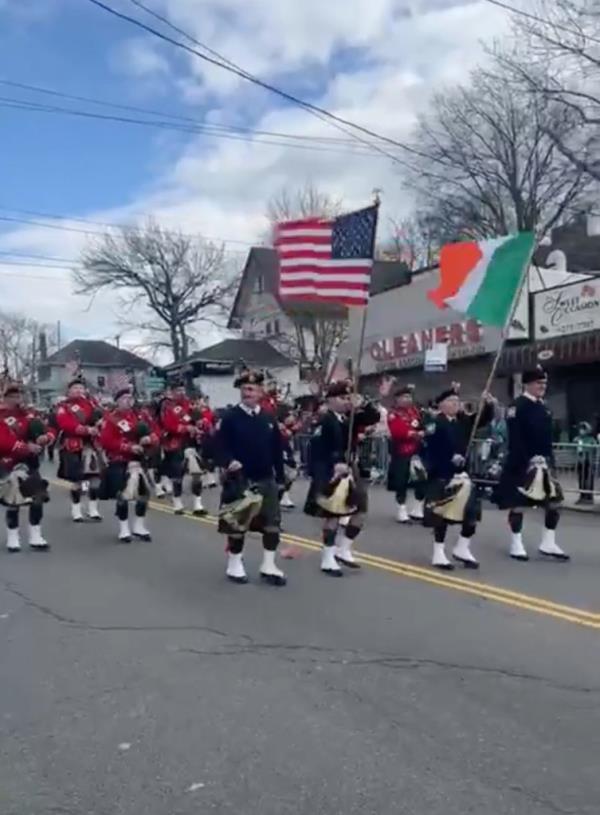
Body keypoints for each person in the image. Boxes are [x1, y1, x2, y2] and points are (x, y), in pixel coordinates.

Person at [216, 369, 287, 586]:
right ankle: (235, 563)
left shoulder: (268, 417)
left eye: (252, 389)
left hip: (266, 478)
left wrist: (281, 476)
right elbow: (217, 447)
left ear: (261, 391)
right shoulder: (229, 418)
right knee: (238, 525)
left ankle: (268, 565)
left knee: (272, 524)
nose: (247, 392)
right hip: (240, 479)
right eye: (244, 389)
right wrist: (228, 462)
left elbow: (277, 449)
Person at [304, 381, 380, 576]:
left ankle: (344, 548)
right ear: (330, 399)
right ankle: (328, 557)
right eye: (342, 398)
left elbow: (373, 417)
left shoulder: (349, 418)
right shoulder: (325, 420)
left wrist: (362, 404)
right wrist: (334, 463)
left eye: (348, 398)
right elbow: (317, 449)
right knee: (333, 515)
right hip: (331, 470)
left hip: (350, 467)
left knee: (360, 509)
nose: (346, 401)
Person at [495, 367, 569, 562]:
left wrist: (548, 460)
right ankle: (516, 542)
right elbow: (516, 439)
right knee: (518, 505)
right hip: (522, 463)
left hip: (544, 463)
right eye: (538, 383)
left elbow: (547, 438)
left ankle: (548, 542)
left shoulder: (544, 407)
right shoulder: (517, 406)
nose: (542, 387)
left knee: (554, 503)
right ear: (527, 384)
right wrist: (527, 461)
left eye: (544, 384)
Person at [422, 386, 494, 570]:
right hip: (442, 474)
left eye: (457, 401)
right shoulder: (434, 423)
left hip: (463, 474)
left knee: (471, 514)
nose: (456, 404)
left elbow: (481, 420)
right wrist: (448, 458)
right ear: (441, 405)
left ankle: (463, 547)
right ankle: (438, 553)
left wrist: (487, 405)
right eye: (451, 402)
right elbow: (429, 449)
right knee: (442, 516)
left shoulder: (463, 421)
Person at [99, 387, 160, 542]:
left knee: (143, 495)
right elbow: (106, 441)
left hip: (140, 461)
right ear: (117, 401)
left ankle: (139, 526)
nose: (128, 400)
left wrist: (150, 439)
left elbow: (156, 432)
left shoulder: (141, 417)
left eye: (130, 397)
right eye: (124, 398)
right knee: (123, 496)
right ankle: (124, 528)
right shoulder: (111, 419)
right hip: (120, 461)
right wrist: (129, 447)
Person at [0, 383, 53, 551]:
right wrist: (24, 447)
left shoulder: (30, 416)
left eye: (20, 396)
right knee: (13, 501)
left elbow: (46, 429)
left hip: (29, 463)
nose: (18, 399)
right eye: (14, 396)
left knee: (37, 499)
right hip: (7, 462)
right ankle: (13, 537)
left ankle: (35, 535)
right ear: (6, 398)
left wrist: (45, 437)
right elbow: (3, 441)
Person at [55, 377, 104, 522]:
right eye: (75, 388)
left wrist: (99, 423)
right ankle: (76, 510)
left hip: (91, 445)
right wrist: (86, 430)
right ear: (69, 391)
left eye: (81, 388)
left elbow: (103, 417)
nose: (79, 390)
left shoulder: (92, 403)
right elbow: (65, 424)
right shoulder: (64, 407)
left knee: (95, 479)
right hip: (73, 445)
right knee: (77, 479)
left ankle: (93, 509)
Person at [158, 379, 202, 515]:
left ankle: (197, 503)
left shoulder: (189, 404)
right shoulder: (167, 406)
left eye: (182, 390)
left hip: (191, 443)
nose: (181, 392)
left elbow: (198, 418)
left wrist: (199, 423)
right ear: (171, 392)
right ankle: (177, 502)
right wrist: (185, 428)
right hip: (175, 443)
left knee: (197, 473)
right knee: (178, 475)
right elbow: (168, 425)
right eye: (178, 390)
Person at [387, 386, 426, 523]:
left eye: (409, 397)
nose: (407, 399)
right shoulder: (394, 413)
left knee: (421, 479)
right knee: (401, 481)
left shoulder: (415, 411)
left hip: (417, 451)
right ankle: (401, 509)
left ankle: (417, 508)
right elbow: (398, 431)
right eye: (404, 397)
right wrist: (415, 434)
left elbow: (422, 425)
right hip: (401, 451)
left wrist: (421, 432)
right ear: (397, 399)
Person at [574, 421, 597, 505]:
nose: (581, 431)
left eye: (583, 429)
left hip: (589, 462)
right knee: (581, 479)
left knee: (589, 480)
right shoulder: (578, 439)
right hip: (581, 462)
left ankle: (589, 497)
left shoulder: (591, 439)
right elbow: (575, 448)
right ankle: (582, 496)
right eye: (580, 429)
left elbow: (593, 448)